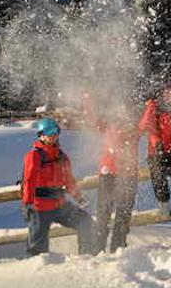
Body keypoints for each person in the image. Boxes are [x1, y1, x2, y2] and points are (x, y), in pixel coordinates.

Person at [21, 118, 94, 256]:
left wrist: (78, 197)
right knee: (38, 246)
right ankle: (37, 264)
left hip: (60, 205)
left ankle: (86, 256)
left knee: (85, 221)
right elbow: (29, 180)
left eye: (55, 131)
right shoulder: (34, 156)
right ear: (41, 135)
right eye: (49, 132)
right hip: (40, 207)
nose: (53, 135)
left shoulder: (62, 157)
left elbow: (69, 180)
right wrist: (27, 204)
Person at [82, 94, 139, 253]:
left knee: (123, 214)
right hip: (109, 174)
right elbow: (92, 120)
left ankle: (118, 247)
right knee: (103, 213)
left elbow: (146, 122)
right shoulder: (108, 125)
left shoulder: (135, 128)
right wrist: (88, 99)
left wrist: (150, 106)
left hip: (128, 176)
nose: (124, 112)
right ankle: (97, 248)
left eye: (127, 110)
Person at [139, 84, 171, 218]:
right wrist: (157, 143)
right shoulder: (154, 108)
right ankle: (163, 202)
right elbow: (146, 127)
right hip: (157, 149)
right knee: (157, 170)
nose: (169, 95)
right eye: (166, 93)